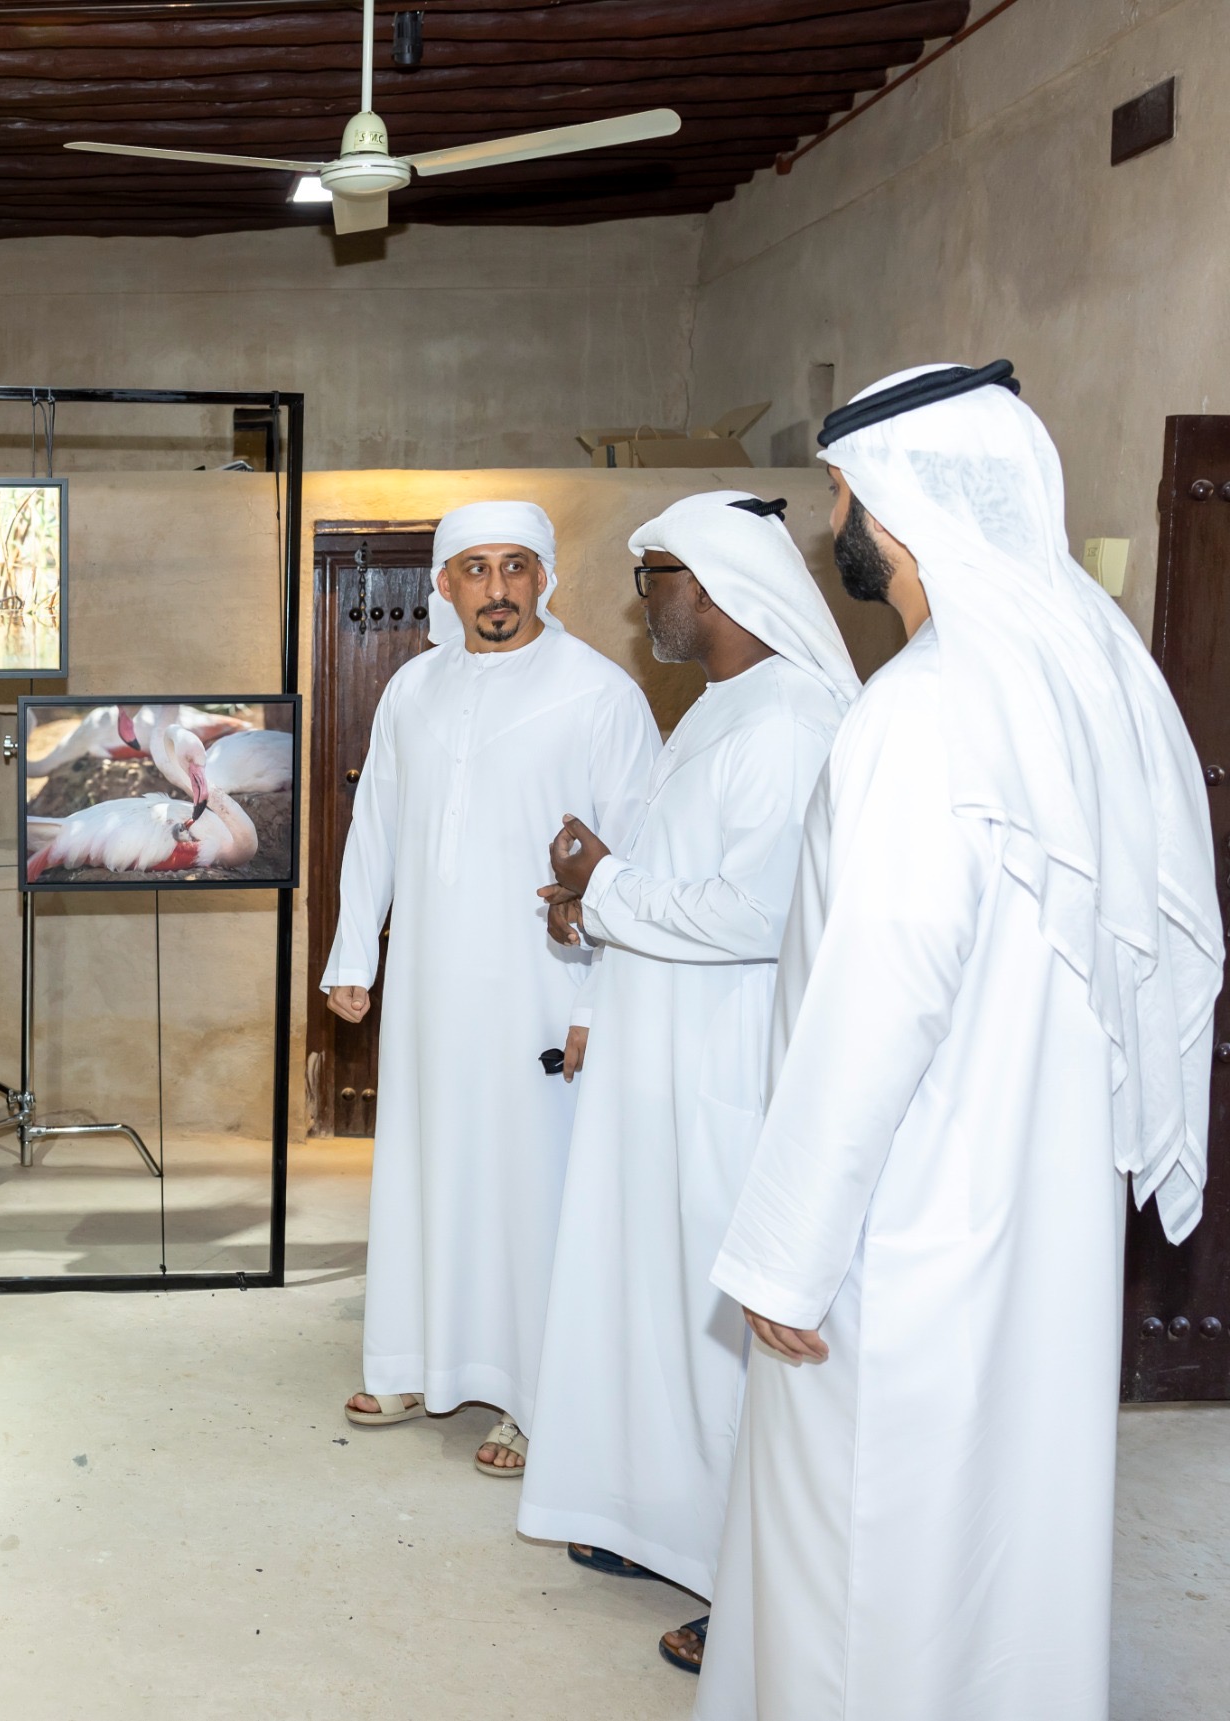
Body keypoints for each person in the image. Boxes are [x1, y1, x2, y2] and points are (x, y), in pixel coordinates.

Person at [697, 364, 1221, 1720]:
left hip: (906, 1212)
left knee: (861, 1555)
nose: (833, 520)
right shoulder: (1095, 670)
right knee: (1008, 1537)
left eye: (841, 493)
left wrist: (786, 1247)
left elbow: (876, 995)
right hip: (1042, 1202)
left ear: (900, 499)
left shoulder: (922, 710)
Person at [513, 493, 858, 1676]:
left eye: (650, 573)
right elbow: (665, 878)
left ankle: (745, 1577)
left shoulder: (794, 724)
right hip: (657, 1056)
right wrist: (591, 906)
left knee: (722, 1335)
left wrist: (603, 884)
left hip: (726, 1068)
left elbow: (755, 915)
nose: (639, 596)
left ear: (708, 584)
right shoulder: (719, 707)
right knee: (651, 1297)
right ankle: (656, 1517)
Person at [323, 500, 658, 1476]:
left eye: (517, 566)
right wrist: (354, 953)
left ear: (545, 577)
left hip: (543, 988)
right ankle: (409, 1356)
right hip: (430, 985)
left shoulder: (599, 693)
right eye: (475, 568)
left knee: (530, 1180)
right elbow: (375, 825)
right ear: (441, 583)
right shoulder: (411, 691)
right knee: (426, 1160)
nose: (499, 588)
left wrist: (600, 999)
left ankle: (530, 1393)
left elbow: (634, 857)